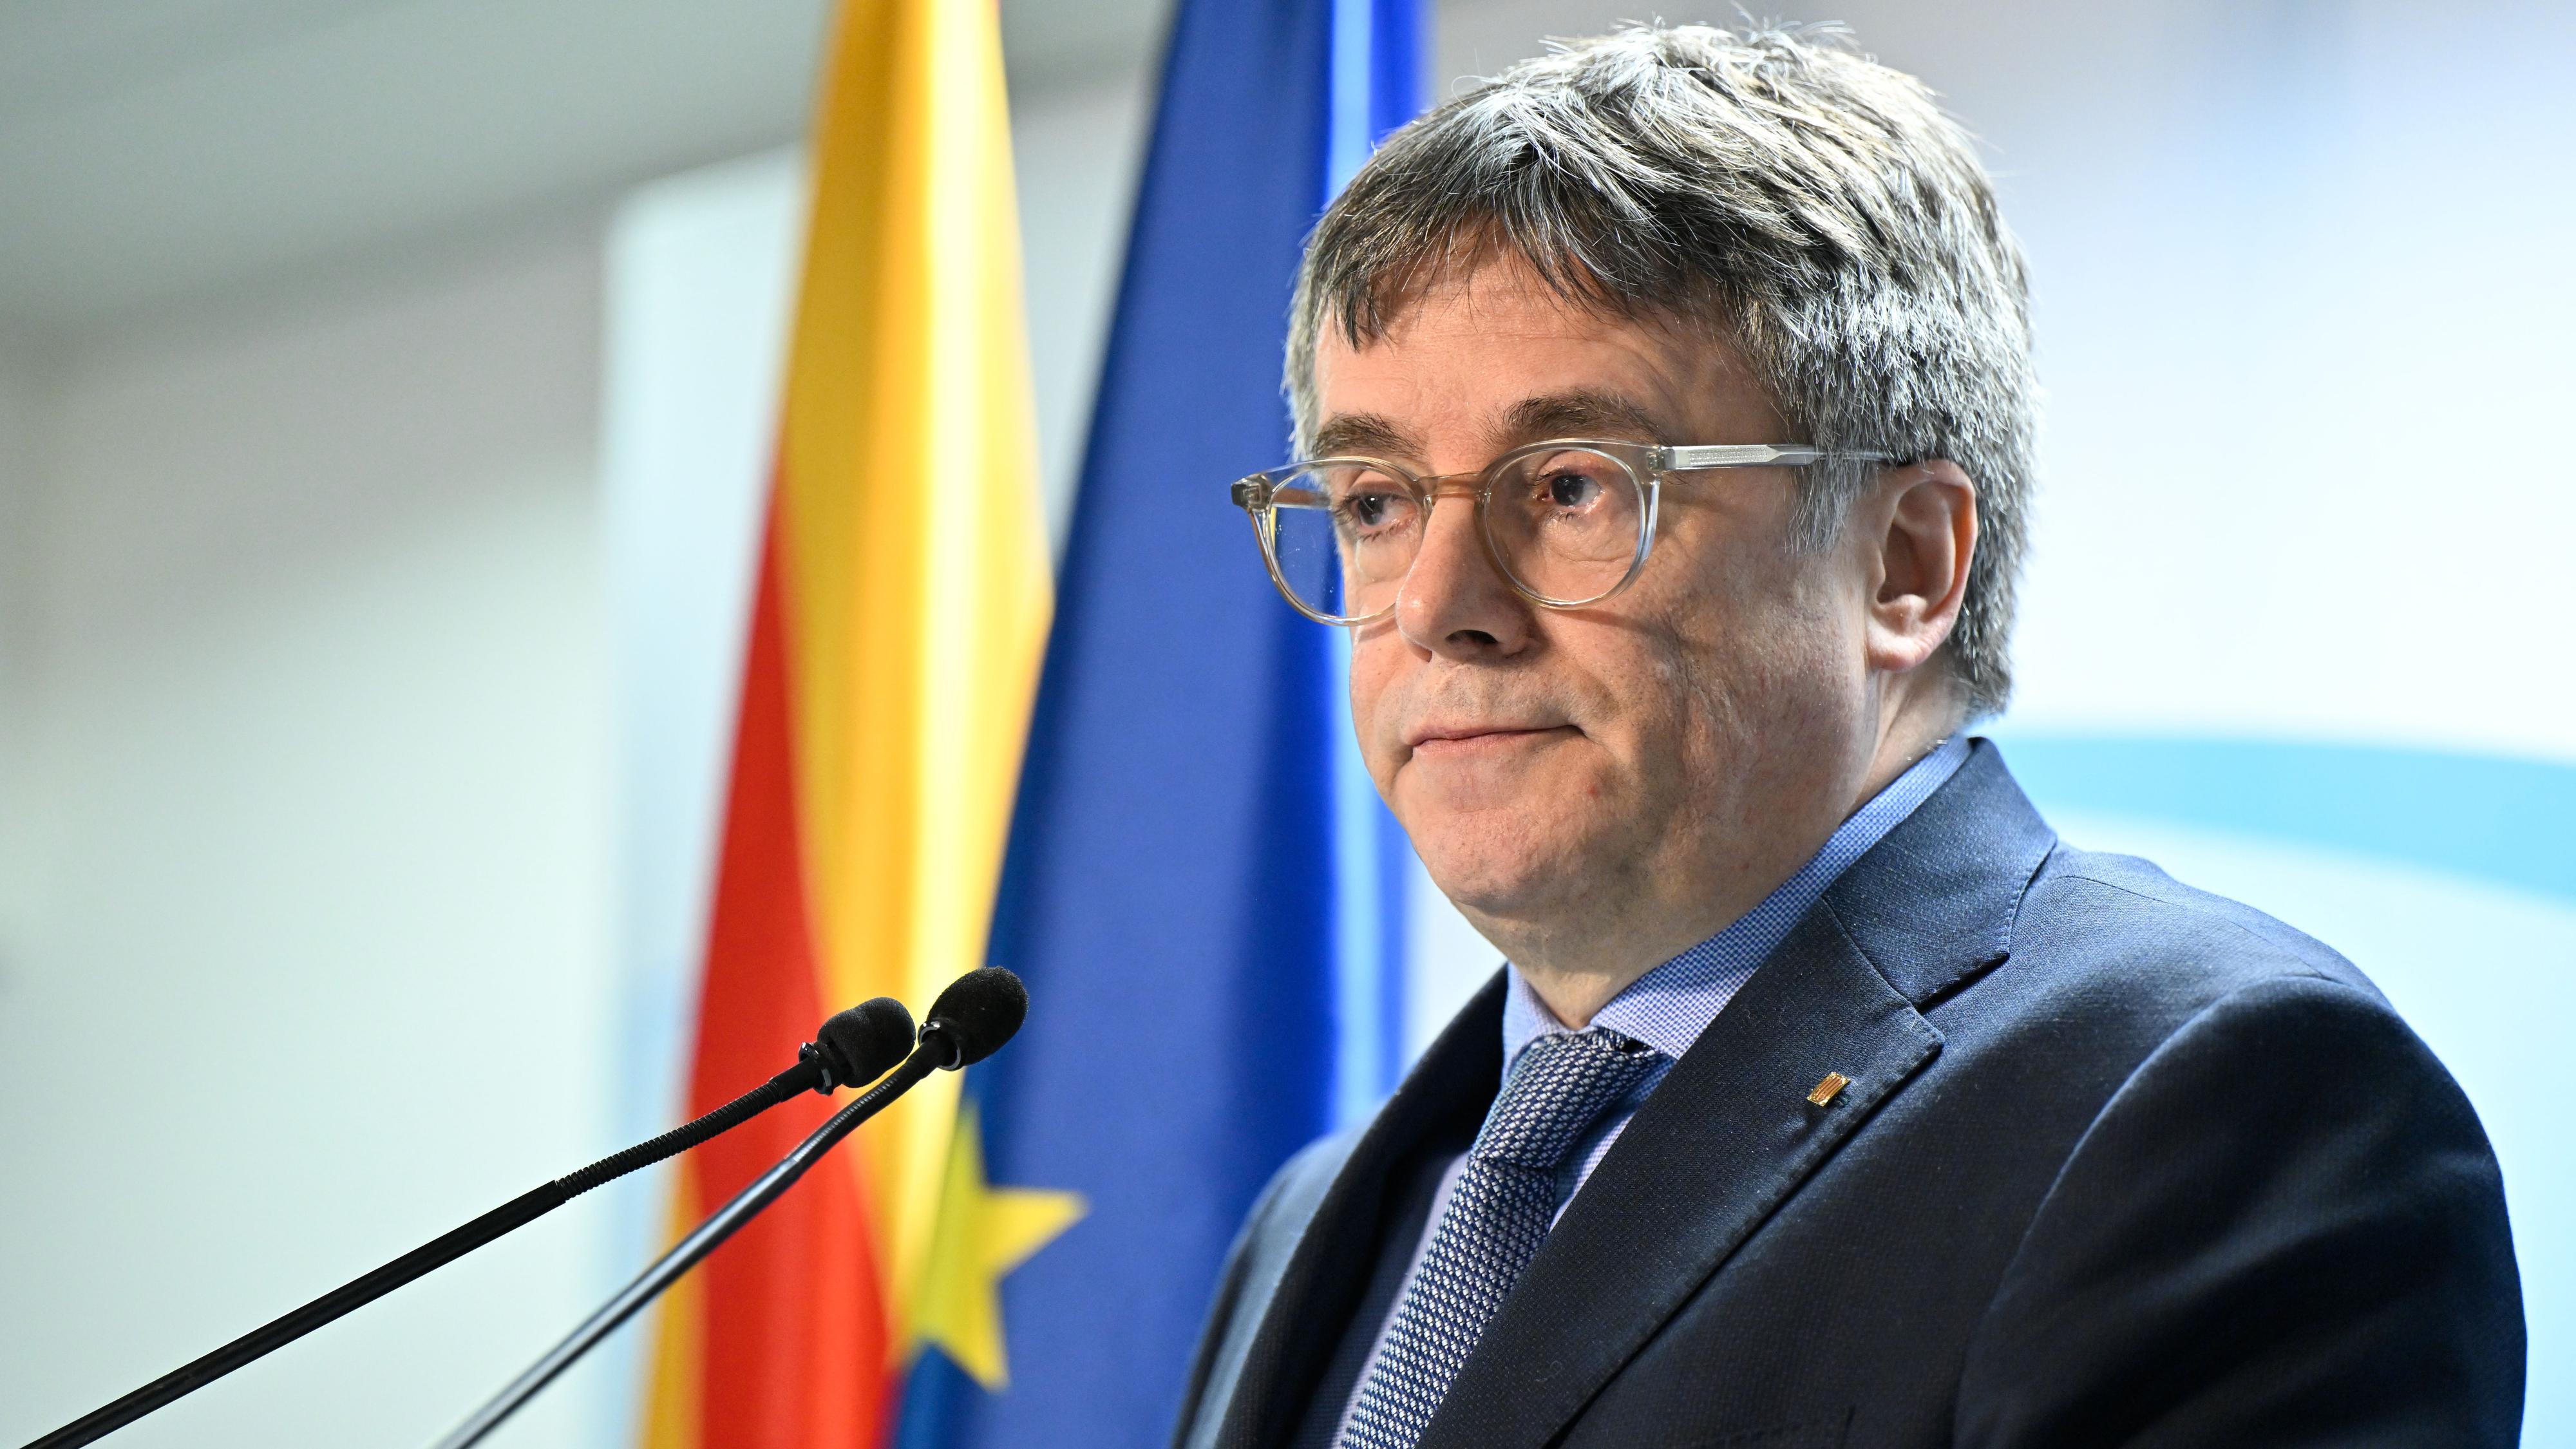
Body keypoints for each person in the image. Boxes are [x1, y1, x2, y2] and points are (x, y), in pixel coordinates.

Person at [1170, 23, 2524, 1449]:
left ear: (1906, 563)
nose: (1438, 607)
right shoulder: (1311, 1217)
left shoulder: (2217, 1106)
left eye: (1570, 485)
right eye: (1375, 500)